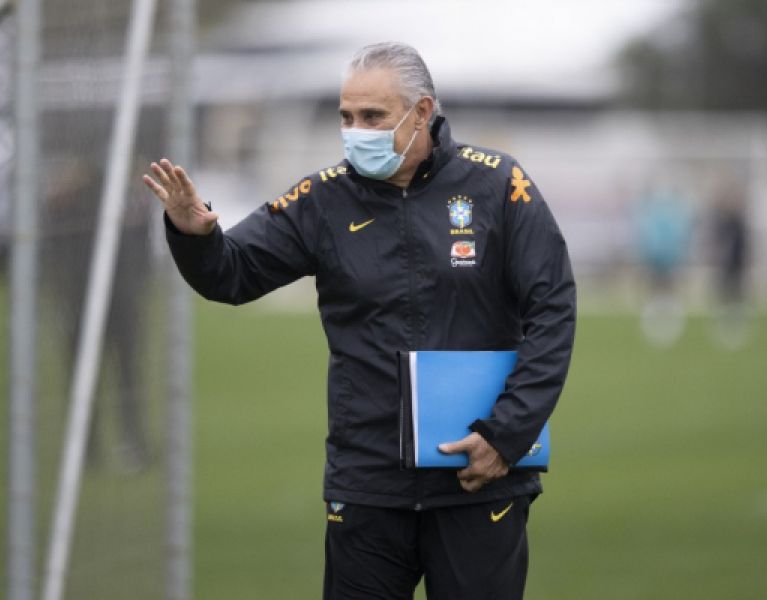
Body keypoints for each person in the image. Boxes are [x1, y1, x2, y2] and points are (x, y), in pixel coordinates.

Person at [144, 42, 575, 600]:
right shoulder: (323, 198)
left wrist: (506, 435)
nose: (356, 132)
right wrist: (193, 236)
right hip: (368, 486)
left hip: (480, 478)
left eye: (372, 116)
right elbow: (232, 274)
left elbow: (553, 307)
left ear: (422, 113)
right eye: (346, 117)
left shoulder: (499, 185)